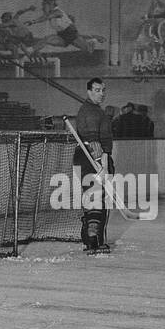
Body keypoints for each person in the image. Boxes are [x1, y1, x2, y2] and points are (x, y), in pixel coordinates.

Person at [69, 78, 115, 252]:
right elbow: (94, 143)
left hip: (88, 158)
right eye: (97, 90)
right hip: (92, 158)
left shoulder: (95, 110)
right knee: (98, 198)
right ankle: (95, 239)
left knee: (94, 197)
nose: (101, 94)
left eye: (103, 90)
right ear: (89, 91)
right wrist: (102, 164)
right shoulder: (90, 112)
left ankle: (91, 239)